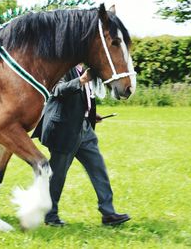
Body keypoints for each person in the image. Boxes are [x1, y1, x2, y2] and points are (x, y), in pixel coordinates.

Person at [32, 64, 130, 226]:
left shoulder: (86, 68)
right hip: (65, 128)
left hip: (84, 128)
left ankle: (108, 213)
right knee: (57, 175)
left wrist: (90, 113)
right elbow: (56, 90)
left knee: (98, 168)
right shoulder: (63, 65)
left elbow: (84, 96)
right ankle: (50, 216)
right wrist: (82, 80)